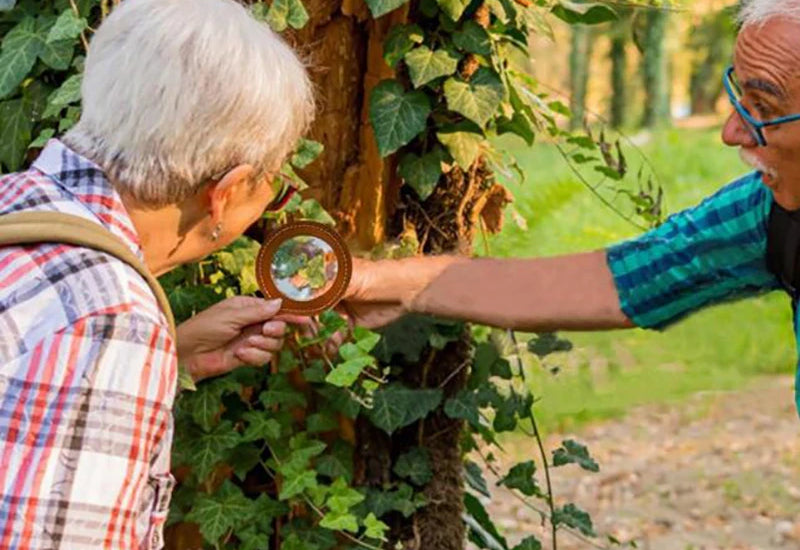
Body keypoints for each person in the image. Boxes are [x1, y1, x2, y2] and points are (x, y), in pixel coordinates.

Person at [343, 0, 800, 415]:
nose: (731, 132)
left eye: (763, 107)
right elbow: (612, 281)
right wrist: (378, 282)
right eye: (741, 97)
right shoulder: (764, 215)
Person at [0, 0, 314, 547]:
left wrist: (174, 352)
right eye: (275, 183)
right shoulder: (111, 322)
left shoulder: (16, 203)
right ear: (226, 193)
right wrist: (132, 349)